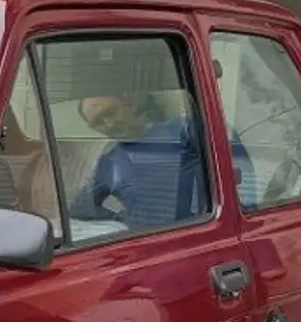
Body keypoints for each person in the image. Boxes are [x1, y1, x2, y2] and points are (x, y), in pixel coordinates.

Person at [70, 92, 256, 228]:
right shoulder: (109, 161)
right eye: (98, 122)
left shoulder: (183, 129)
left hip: (195, 235)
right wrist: (121, 219)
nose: (108, 124)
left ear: (129, 104)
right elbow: (79, 208)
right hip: (142, 243)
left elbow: (238, 172)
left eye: (111, 113)